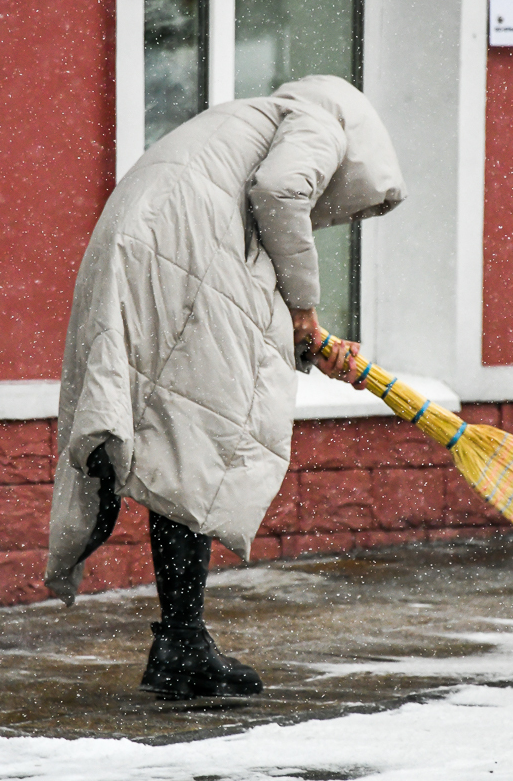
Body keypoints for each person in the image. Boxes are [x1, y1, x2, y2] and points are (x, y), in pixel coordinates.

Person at [44, 75, 406, 700]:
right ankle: (183, 643)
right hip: (171, 255)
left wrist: (299, 332)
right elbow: (280, 192)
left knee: (177, 439)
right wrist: (304, 311)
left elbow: (254, 215)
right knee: (197, 441)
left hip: (137, 245)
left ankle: (181, 640)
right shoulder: (322, 121)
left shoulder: (251, 120)